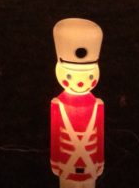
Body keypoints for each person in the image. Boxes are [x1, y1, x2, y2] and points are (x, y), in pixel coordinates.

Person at [50, 18, 104, 187]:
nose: (80, 83)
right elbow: (55, 136)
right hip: (67, 165)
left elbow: (100, 135)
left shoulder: (98, 105)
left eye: (88, 76)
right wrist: (54, 161)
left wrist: (100, 161)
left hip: (89, 166)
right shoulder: (58, 105)